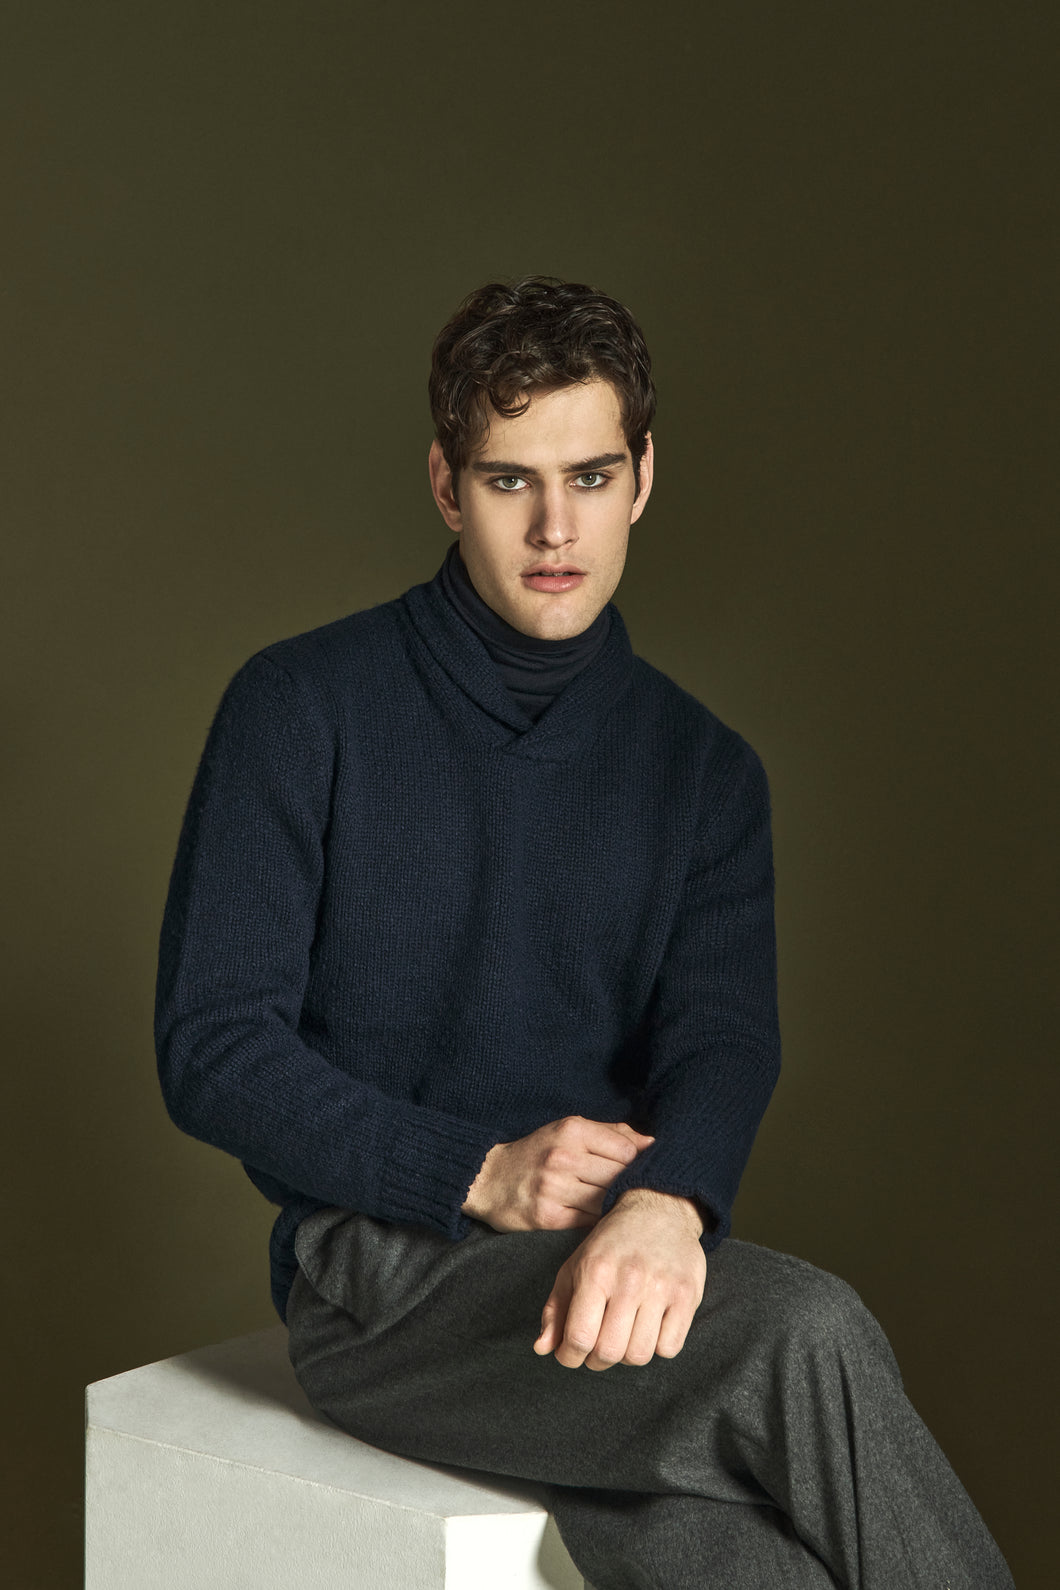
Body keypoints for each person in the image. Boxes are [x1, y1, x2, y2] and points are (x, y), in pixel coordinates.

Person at [155, 276, 1013, 1589]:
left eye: (592, 477)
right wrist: (474, 1170)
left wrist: (670, 1201)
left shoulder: (706, 769)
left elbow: (723, 1040)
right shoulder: (300, 706)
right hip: (385, 1286)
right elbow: (212, 1048)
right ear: (446, 485)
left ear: (643, 478)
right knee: (804, 1330)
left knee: (732, 1556)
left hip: (605, 1276)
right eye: (510, 481)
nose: (556, 528)